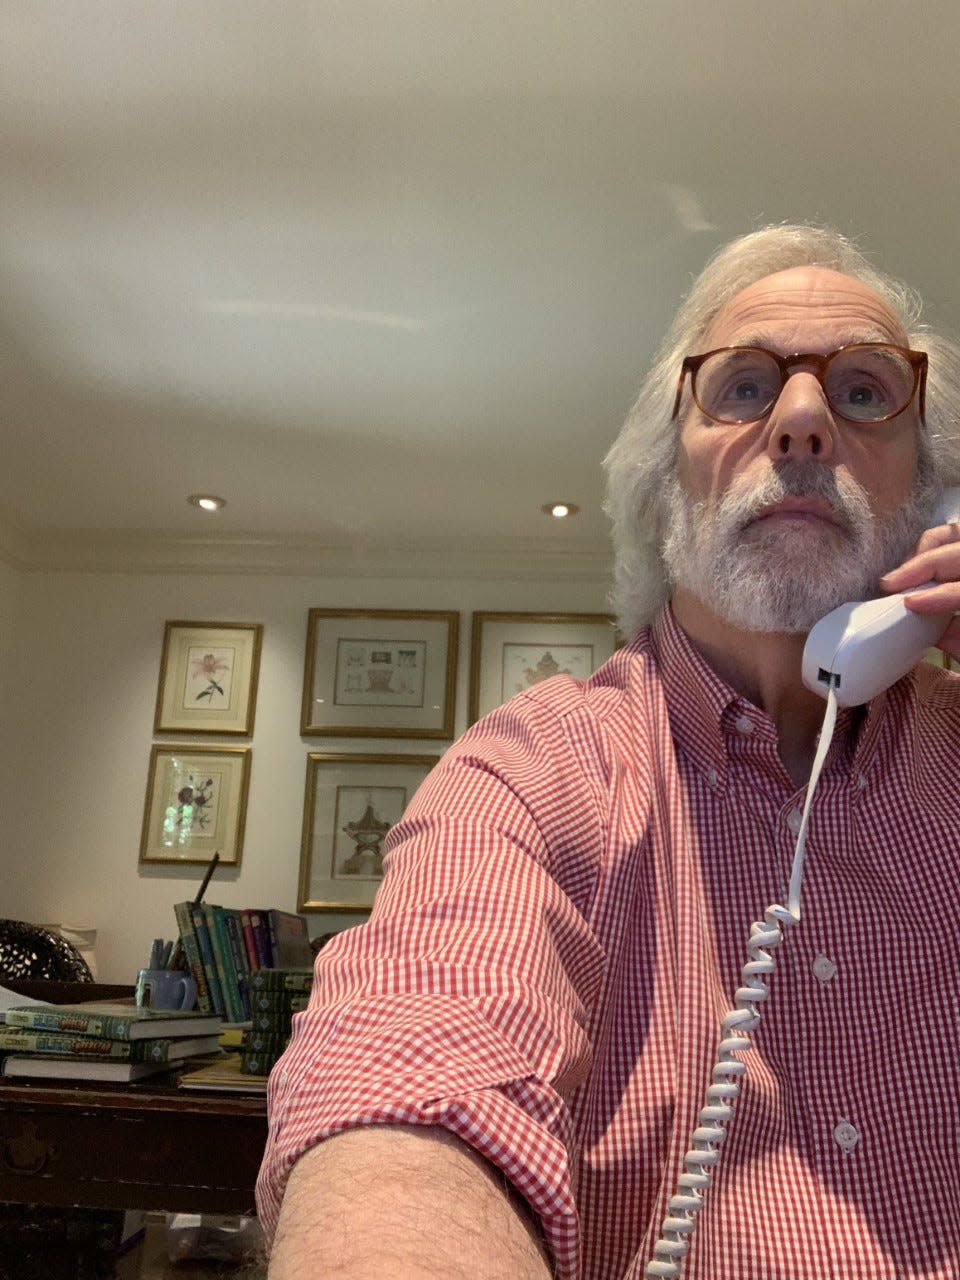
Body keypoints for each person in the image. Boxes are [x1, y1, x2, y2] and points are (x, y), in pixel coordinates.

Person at [257, 224, 960, 1279]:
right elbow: (413, 1070)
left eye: (865, 392)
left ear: (931, 499)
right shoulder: (530, 773)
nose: (805, 420)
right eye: (743, 387)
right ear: (662, 479)